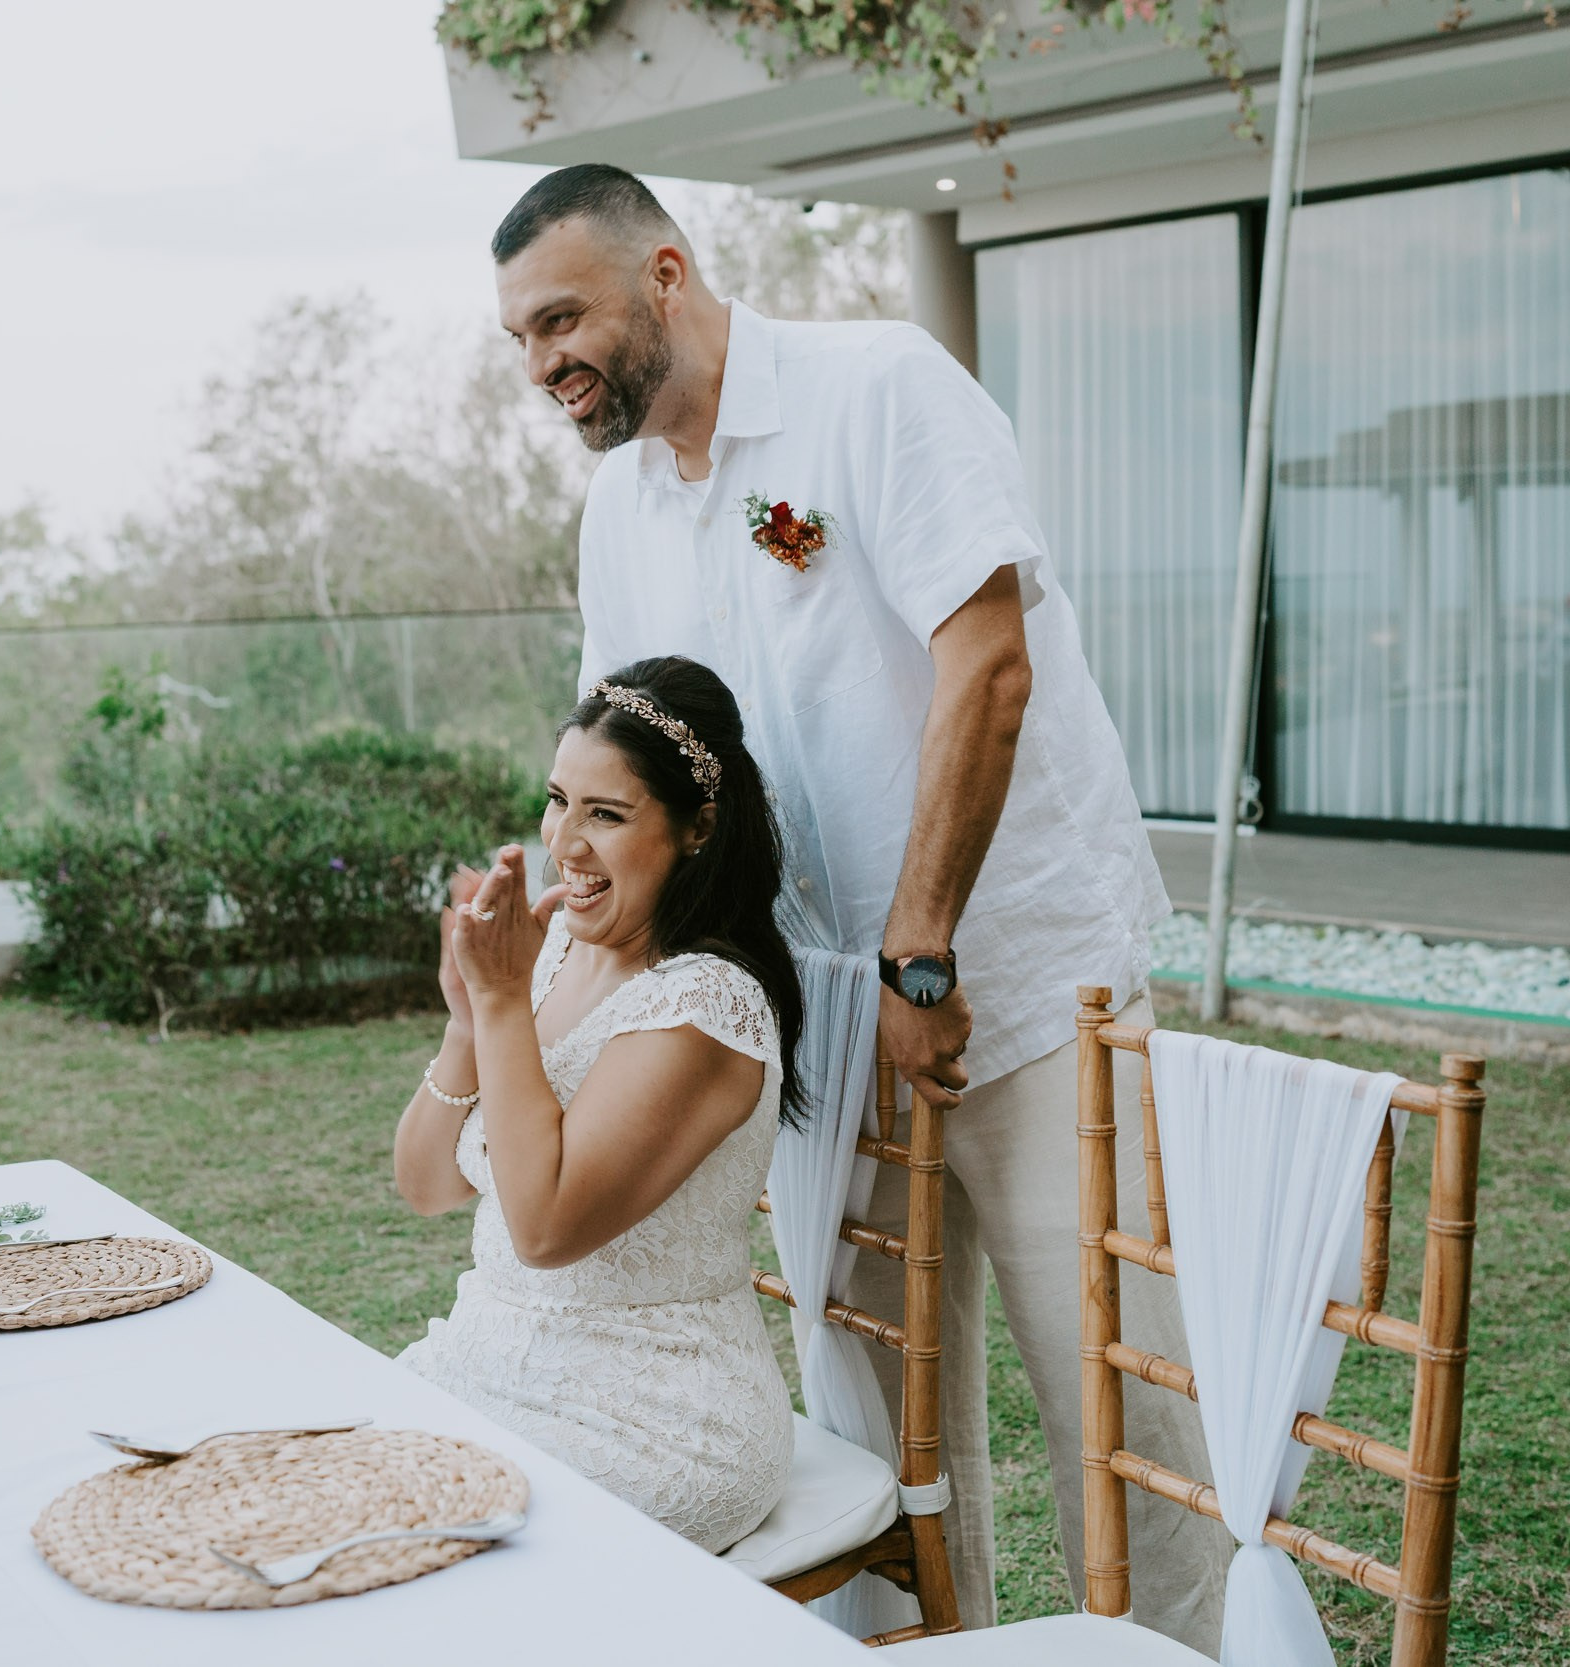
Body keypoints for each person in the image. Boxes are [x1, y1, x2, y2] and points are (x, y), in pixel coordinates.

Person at [486, 164, 1232, 1647]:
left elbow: (989, 666)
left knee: (1114, 1393)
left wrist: (920, 958)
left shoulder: (879, 385)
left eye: (562, 317)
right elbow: (636, 787)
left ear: (670, 277)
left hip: (1010, 988)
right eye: (518, 337)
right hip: (815, 1024)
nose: (542, 362)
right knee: (877, 1428)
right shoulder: (618, 509)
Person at [396, 655, 805, 1554]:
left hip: (655, 1419)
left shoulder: (706, 1005)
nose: (564, 844)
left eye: (606, 815)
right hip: (484, 1364)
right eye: (557, 800)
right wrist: (469, 1020)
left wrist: (502, 1004)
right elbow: (426, 1184)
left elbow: (543, 1231)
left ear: (698, 827)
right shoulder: (551, 955)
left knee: (422, 1552)